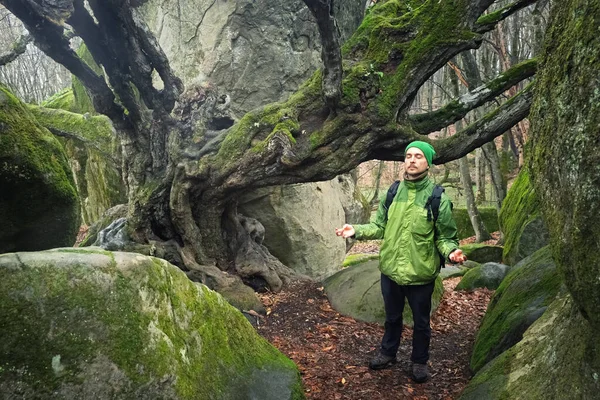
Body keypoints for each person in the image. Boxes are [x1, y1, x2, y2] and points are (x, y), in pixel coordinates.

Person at [335, 141, 466, 383]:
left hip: (421, 274)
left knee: (421, 323)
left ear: (428, 163)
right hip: (391, 271)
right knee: (392, 318)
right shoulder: (393, 192)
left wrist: (452, 252)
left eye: (418, 156)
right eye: (408, 156)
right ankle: (388, 353)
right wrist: (356, 230)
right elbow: (379, 226)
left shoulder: (438, 198)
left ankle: (419, 362)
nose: (412, 160)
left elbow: (445, 237)